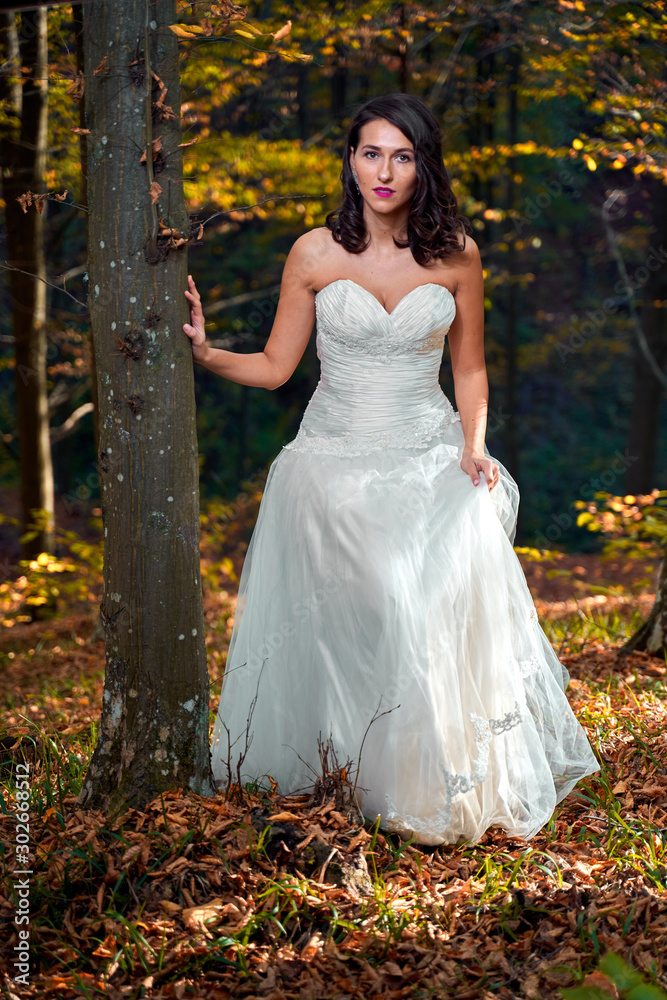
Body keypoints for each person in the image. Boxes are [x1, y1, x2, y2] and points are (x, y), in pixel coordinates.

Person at [183, 93, 599, 846]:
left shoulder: (456, 254)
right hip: (330, 465)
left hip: (424, 457)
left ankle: (419, 786)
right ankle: (340, 770)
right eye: (371, 153)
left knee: (418, 614)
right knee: (360, 616)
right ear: (350, 160)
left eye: (401, 155)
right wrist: (209, 354)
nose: (385, 170)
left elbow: (468, 370)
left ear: (421, 165)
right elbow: (279, 368)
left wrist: (472, 445)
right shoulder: (314, 252)